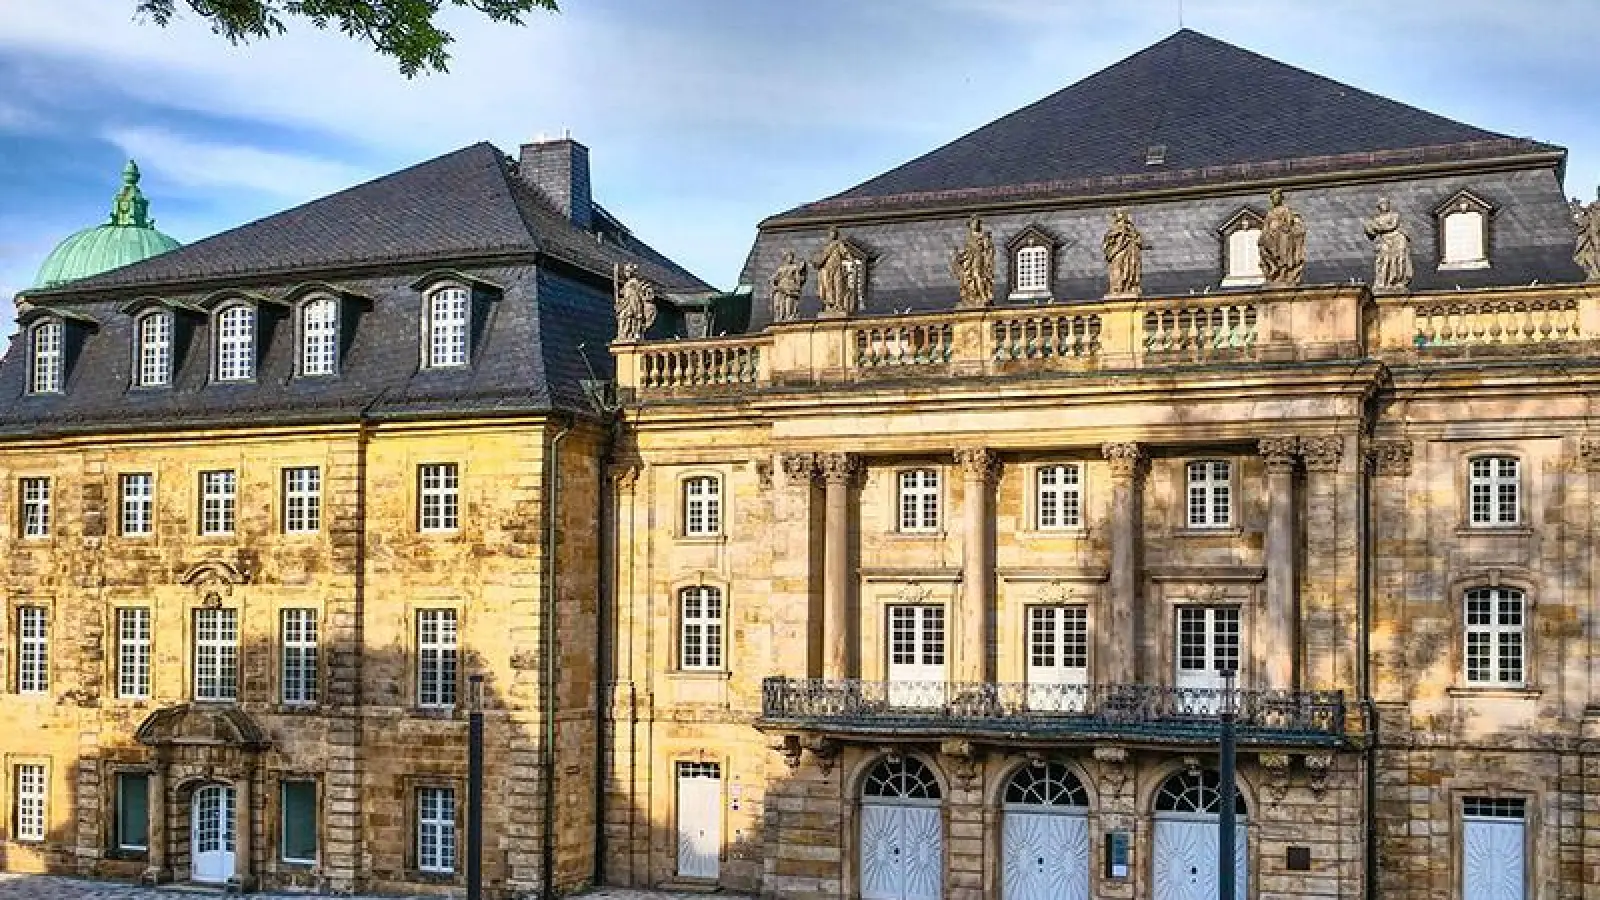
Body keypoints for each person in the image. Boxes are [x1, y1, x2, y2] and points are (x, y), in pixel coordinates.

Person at [1259, 188, 1307, 286]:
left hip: (1282, 236)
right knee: (1263, 243)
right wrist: (1264, 235)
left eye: (1276, 196)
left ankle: (1284, 272)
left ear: (1281, 198)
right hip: (1271, 236)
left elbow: (1289, 223)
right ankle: (1273, 268)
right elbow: (1266, 226)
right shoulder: (1270, 213)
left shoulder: (1285, 210)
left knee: (1283, 246)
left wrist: (1280, 226)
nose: (1274, 199)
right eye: (1272, 197)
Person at [1363, 198, 1413, 292]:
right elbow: (1371, 232)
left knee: (1399, 260)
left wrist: (1378, 228)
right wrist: (1369, 227)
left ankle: (1397, 281)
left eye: (1386, 203)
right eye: (1382, 204)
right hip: (1384, 240)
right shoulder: (1376, 219)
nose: (1385, 205)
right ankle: (1382, 282)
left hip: (1397, 239)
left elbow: (1393, 225)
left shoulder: (1394, 215)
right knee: (1384, 260)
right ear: (1379, 206)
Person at [1102, 208, 1143, 296]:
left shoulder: (1131, 230)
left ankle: (1128, 286)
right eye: (1118, 219)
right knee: (1117, 268)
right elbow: (1107, 242)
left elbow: (1139, 241)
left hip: (1128, 253)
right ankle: (1117, 287)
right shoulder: (1113, 231)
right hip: (1117, 253)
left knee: (1128, 268)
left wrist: (1130, 235)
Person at [769, 251, 808, 323]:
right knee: (780, 304)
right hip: (781, 288)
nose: (790, 258)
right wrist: (774, 286)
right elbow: (773, 278)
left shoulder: (795, 267)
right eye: (789, 257)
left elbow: (800, 278)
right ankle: (780, 317)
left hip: (791, 287)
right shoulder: (781, 268)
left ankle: (789, 316)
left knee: (789, 303)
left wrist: (803, 269)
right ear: (785, 258)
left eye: (791, 257)